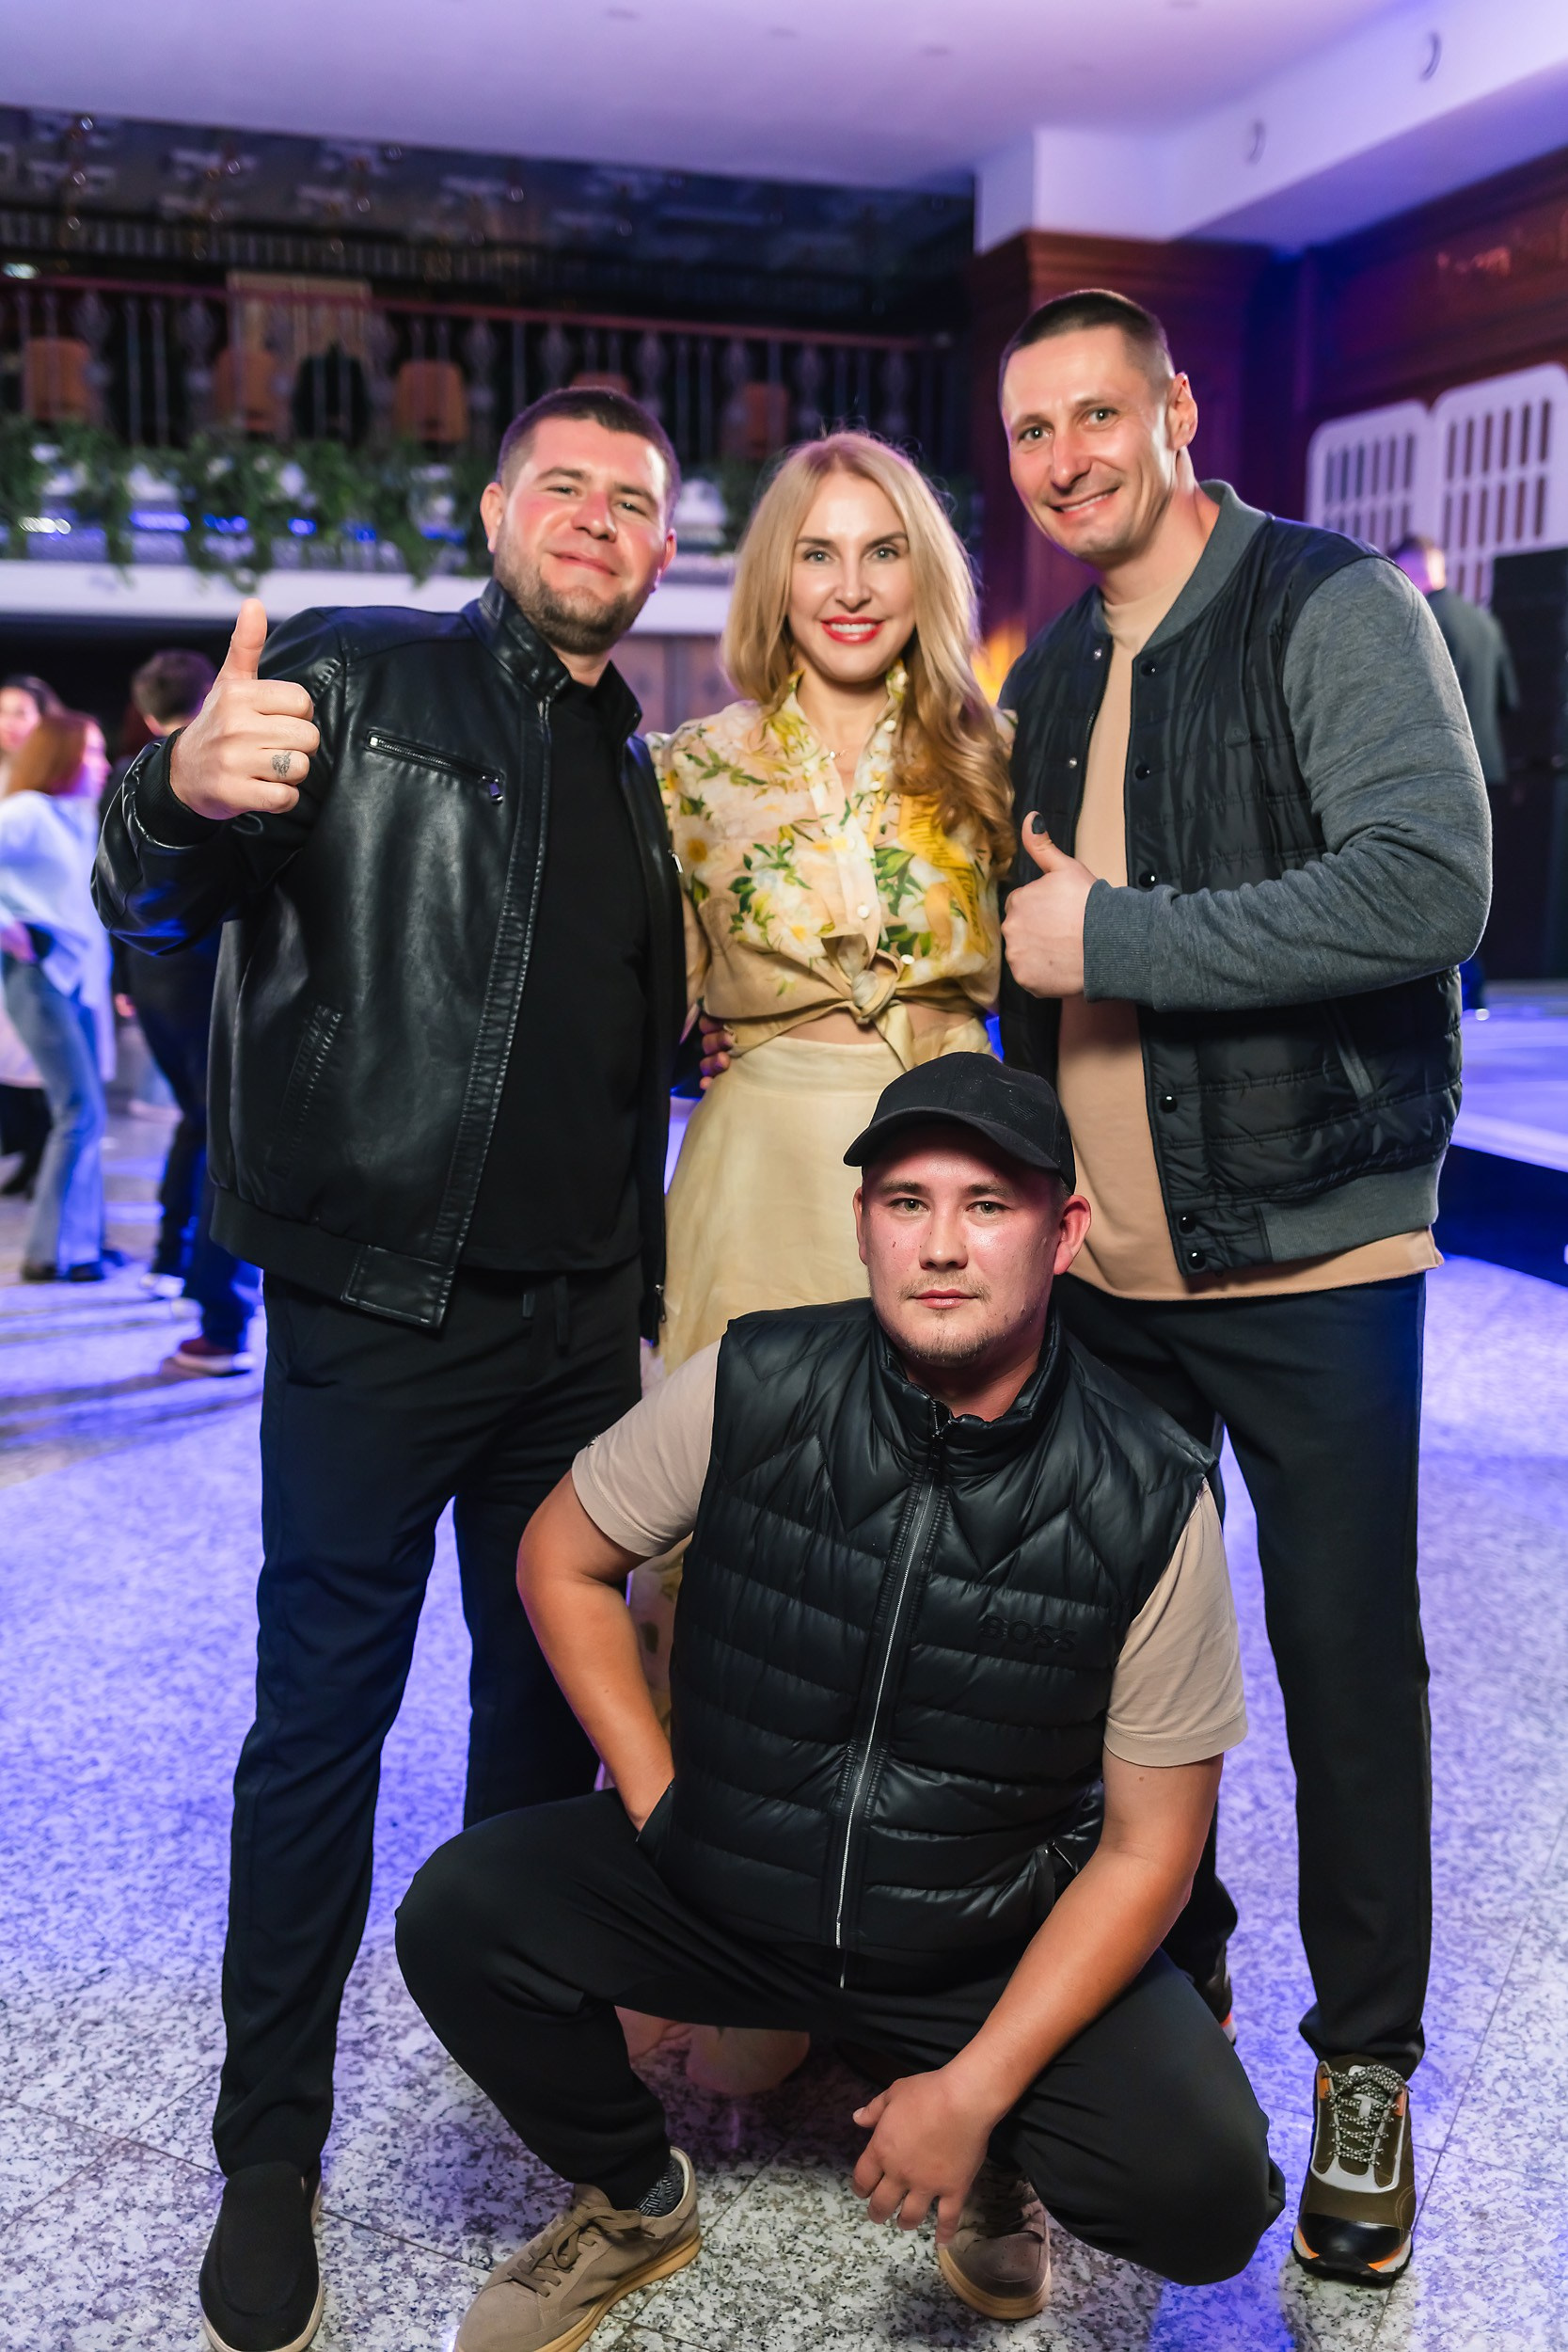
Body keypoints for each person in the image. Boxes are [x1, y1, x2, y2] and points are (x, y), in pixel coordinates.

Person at [94, 386, 689, 2352]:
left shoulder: (634, 767)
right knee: (318, 1730)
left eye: (632, 500)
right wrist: (174, 790)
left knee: (540, 1726)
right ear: (497, 514)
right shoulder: (352, 680)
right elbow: (151, 891)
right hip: (373, 1310)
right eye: (562, 486)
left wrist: (631, 1294)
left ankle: (515, 2057)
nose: (595, 517)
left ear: (659, 550)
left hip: (572, 1333)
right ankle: (268, 2153)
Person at [397, 1053, 1283, 2352]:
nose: (941, 1245)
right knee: (459, 1914)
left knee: (1205, 2194)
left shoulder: (1148, 1491)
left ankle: (999, 2162)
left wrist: (973, 2092)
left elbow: (1151, 1849)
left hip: (977, 1937)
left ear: (1061, 1234)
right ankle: (636, 2198)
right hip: (731, 1877)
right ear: (862, 1223)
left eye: (987, 1205)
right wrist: (654, 1796)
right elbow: (560, 1557)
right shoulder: (751, 1380)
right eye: (906, 1202)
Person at [993, 288, 1491, 2285]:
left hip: (1311, 1248)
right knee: (1124, 1670)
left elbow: (1424, 883)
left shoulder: (1322, 604)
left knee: (1342, 1667)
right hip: (1109, 1268)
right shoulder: (1050, 665)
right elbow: (1023, 959)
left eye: (1095, 414)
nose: (1065, 459)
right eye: (1031, 431)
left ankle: (1363, 2067)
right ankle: (1166, 1988)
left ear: (1175, 410)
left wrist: (1113, 932)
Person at [631, 434, 1012, 2090]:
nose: (850, 586)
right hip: (760, 1164)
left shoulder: (996, 756)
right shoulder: (684, 771)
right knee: (729, 1547)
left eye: (882, 551)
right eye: (816, 552)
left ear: (924, 573)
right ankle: (734, 1959)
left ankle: (923, 1970)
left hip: (956, 1170)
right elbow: (620, 996)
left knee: (952, 1553)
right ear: (771, 577)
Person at [109, 648, 262, 1375]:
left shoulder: (129, 774)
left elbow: (114, 888)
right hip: (210, 977)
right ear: (208, 699)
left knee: (197, 1124)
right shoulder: (226, 772)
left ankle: (171, 1259)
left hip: (152, 976)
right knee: (223, 1138)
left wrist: (123, 976)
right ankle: (221, 1317)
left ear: (145, 713)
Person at [0, 711, 112, 1281]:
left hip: (78, 982)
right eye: (90, 752)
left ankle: (83, 1247)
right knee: (79, 1113)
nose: (102, 764)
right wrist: (7, 926)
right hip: (40, 979)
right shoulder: (28, 812)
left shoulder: (75, 818)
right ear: (60, 757)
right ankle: (48, 1253)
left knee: (88, 1116)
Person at [1392, 532, 1519, 1008]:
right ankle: (1475, 985)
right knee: (1479, 882)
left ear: (1412, 569)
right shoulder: (1486, 623)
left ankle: (1443, 989)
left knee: (1430, 879)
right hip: (1490, 770)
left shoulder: (1416, 618)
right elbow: (1509, 701)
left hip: (1438, 770)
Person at [0, 674, 62, 1194]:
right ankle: (29, 1157)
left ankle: (42, 1160)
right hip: (14, 940)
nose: (10, 723)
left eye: (21, 712)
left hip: (45, 943)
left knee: (43, 1063)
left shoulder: (56, 785)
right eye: (3, 712)